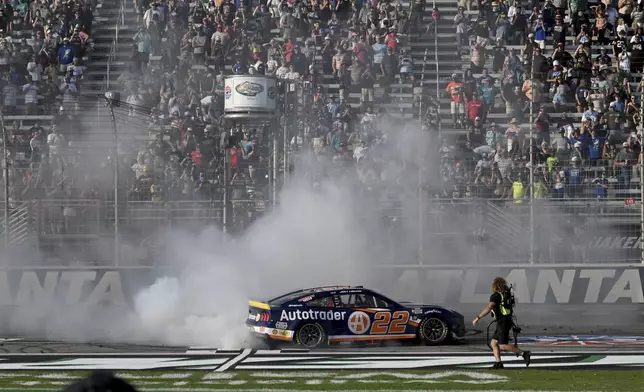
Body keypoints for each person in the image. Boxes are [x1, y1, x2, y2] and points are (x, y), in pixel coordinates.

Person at [472, 276, 531, 369]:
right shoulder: (505, 294)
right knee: (493, 343)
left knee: (502, 345)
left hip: (503, 322)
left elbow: (489, 307)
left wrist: (478, 317)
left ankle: (524, 353)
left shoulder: (496, 295)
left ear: (495, 285)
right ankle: (498, 363)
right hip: (506, 321)